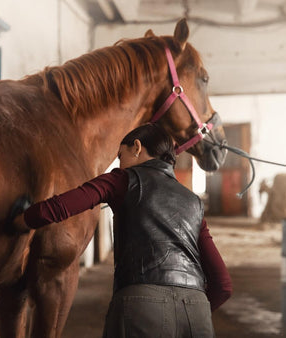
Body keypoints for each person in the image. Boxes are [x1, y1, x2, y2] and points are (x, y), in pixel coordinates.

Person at [13, 123, 232, 337]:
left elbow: (59, 207)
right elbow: (223, 284)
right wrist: (193, 310)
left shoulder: (121, 179)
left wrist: (20, 221)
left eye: (120, 156)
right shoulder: (194, 202)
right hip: (197, 310)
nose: (119, 164)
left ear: (136, 147)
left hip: (141, 306)